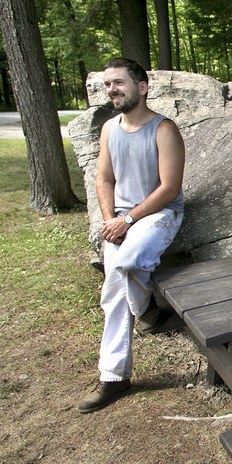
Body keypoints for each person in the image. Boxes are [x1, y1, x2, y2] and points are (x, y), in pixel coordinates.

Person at [78, 58, 185, 413]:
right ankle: (114, 375)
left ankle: (145, 311)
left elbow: (170, 188)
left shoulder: (164, 129)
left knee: (124, 264)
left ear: (141, 86)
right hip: (121, 220)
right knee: (113, 294)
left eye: (119, 82)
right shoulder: (108, 129)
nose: (112, 90)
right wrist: (111, 221)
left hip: (158, 215)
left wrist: (128, 220)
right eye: (108, 84)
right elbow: (103, 180)